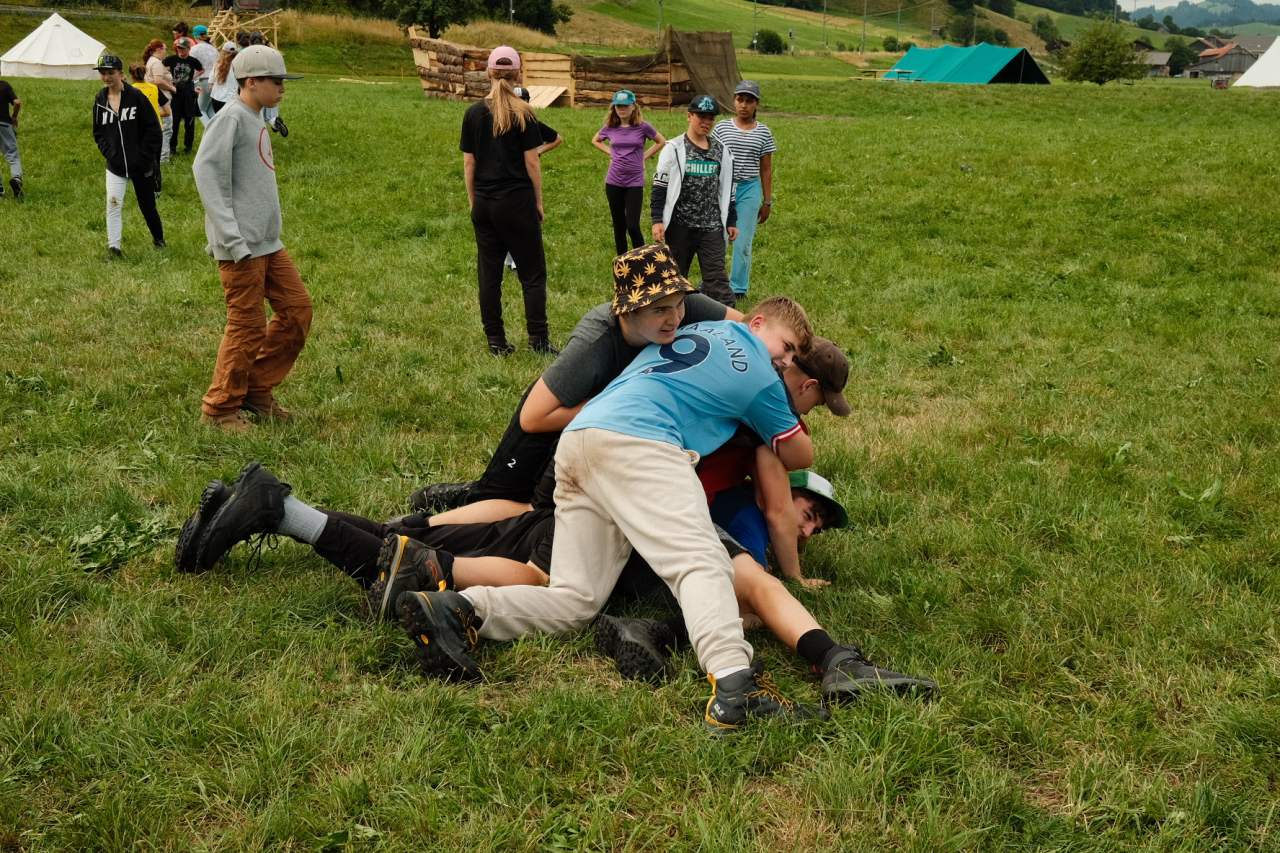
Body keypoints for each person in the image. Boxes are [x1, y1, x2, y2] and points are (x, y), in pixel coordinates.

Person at [399, 244, 825, 731]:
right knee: (701, 558)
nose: (786, 361)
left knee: (576, 600)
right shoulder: (757, 368)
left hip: (579, 441)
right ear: (756, 323)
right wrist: (771, 408)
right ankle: (736, 687)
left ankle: (459, 608)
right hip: (638, 442)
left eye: (677, 305)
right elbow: (799, 455)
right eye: (786, 348)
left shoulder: (698, 328)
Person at [598, 471, 939, 703]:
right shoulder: (749, 515)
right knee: (757, 600)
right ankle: (837, 661)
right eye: (808, 515)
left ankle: (653, 630)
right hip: (655, 563)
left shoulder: (739, 499)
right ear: (781, 493)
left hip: (627, 561)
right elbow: (752, 584)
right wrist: (781, 575)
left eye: (816, 530)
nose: (807, 532)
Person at [192, 45, 312, 432]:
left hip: (267, 243)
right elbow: (205, 172)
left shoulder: (254, 116)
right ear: (252, 82)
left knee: (297, 310)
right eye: (277, 82)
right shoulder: (230, 118)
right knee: (247, 326)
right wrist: (231, 237)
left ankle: (256, 389)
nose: (283, 88)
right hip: (240, 247)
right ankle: (220, 409)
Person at [461, 46, 556, 356]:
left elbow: (469, 164)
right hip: (516, 202)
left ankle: (495, 340)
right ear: (518, 73)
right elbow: (532, 162)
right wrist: (538, 202)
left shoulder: (472, 113)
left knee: (489, 274)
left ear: (488, 72)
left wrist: (474, 202)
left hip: (484, 203)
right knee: (532, 274)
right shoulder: (524, 113)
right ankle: (538, 339)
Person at [651, 94, 738, 308]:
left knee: (717, 280)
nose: (706, 122)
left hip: (711, 226)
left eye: (711, 118)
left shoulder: (722, 151)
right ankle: (675, 320)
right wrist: (657, 220)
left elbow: (727, 188)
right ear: (689, 116)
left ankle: (731, 322)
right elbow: (660, 187)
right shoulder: (673, 148)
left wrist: (731, 220)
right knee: (675, 279)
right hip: (680, 225)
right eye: (701, 116)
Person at [92, 53, 165, 260]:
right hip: (115, 166)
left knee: (147, 206)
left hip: (141, 164)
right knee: (113, 204)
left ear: (121, 73)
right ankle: (114, 249)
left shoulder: (136, 97)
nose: (107, 77)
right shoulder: (100, 99)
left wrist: (143, 155)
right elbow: (98, 133)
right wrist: (110, 152)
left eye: (111, 73)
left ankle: (159, 240)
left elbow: (154, 130)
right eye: (103, 73)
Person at [712, 81, 775, 304]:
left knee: (743, 241)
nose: (744, 105)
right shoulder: (722, 128)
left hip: (749, 189)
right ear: (734, 101)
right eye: (740, 100)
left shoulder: (763, 132)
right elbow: (712, 159)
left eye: (749, 101)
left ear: (756, 103)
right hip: (723, 187)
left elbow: (765, 169)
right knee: (718, 237)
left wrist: (767, 201)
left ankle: (738, 288)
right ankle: (715, 282)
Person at [591, 90, 665, 255]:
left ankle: (642, 259)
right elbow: (595, 140)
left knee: (632, 225)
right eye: (618, 106)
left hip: (634, 182)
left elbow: (661, 141)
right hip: (613, 181)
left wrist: (643, 156)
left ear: (633, 107)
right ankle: (622, 262)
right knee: (619, 226)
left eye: (625, 105)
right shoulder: (610, 127)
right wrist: (612, 153)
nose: (621, 109)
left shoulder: (643, 127)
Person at [164, 37, 204, 155]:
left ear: (188, 49)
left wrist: (193, 76)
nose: (180, 50)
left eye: (183, 48)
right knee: (175, 122)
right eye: (179, 48)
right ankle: (172, 147)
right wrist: (168, 77)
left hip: (188, 92)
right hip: (176, 93)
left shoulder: (193, 61)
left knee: (189, 121)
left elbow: (202, 69)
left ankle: (188, 147)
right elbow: (159, 67)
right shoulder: (172, 59)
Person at [127, 63, 162, 197]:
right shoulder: (154, 87)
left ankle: (143, 185)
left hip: (139, 129)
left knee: (142, 159)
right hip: (157, 127)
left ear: (131, 75)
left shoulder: (131, 90)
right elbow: (164, 108)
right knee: (156, 160)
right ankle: (157, 188)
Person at [249, 30, 288, 136]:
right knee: (271, 115)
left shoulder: (248, 53)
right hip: (271, 85)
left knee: (257, 114)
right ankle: (275, 122)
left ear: (250, 41)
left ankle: (259, 134)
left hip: (256, 85)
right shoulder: (270, 52)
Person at [142, 40, 175, 164]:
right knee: (166, 129)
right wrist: (172, 88)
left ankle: (155, 155)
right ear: (160, 49)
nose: (166, 52)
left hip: (154, 97)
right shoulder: (156, 63)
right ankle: (163, 158)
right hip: (162, 98)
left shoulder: (151, 61)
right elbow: (158, 81)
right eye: (165, 49)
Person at [190, 25, 220, 122]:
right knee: (210, 110)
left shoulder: (194, 50)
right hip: (216, 82)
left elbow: (193, 68)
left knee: (200, 109)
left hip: (204, 81)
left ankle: (209, 130)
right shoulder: (213, 49)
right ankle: (217, 130)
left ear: (195, 36)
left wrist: (194, 83)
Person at [0, 72, 22, 200]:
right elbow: (17, 102)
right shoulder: (4, 85)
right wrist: (14, 117)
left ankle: (0, 190)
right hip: (4, 124)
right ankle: (17, 179)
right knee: (13, 156)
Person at [209, 42, 239, 113]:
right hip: (233, 99)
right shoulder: (239, 66)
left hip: (217, 98)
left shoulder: (217, 65)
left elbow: (211, 85)